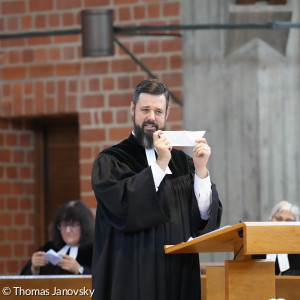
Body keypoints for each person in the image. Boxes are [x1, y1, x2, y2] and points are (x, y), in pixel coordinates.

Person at [91, 79, 222, 300]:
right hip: (131, 276)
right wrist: (160, 164)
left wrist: (200, 171)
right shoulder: (112, 161)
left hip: (178, 275)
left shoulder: (182, 163)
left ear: (167, 114)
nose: (151, 117)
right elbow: (125, 207)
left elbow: (202, 218)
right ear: (133, 110)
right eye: (145, 110)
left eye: (158, 111)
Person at [20, 200, 94, 275]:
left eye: (73, 225)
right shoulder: (48, 248)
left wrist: (79, 269)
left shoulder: (95, 251)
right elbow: (21, 281)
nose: (68, 230)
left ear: (85, 226)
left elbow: (101, 280)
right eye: (64, 225)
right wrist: (34, 268)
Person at [254, 200, 300, 275]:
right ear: (271, 219)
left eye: (288, 220)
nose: (283, 223)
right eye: (278, 219)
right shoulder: (258, 241)